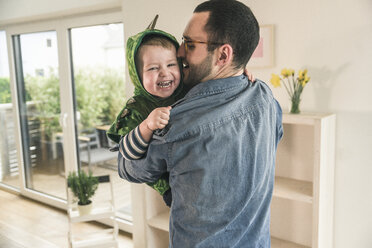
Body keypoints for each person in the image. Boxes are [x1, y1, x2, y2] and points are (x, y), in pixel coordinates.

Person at [118, 0, 283, 247]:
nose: (180, 52)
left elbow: (129, 168)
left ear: (224, 55)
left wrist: (143, 128)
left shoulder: (178, 122)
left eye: (190, 44)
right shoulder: (265, 97)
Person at [107, 23, 186, 206]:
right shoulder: (137, 109)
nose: (165, 73)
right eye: (153, 68)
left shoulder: (187, 88)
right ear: (137, 75)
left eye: (171, 64)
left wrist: (241, 73)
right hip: (169, 185)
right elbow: (127, 153)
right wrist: (147, 126)